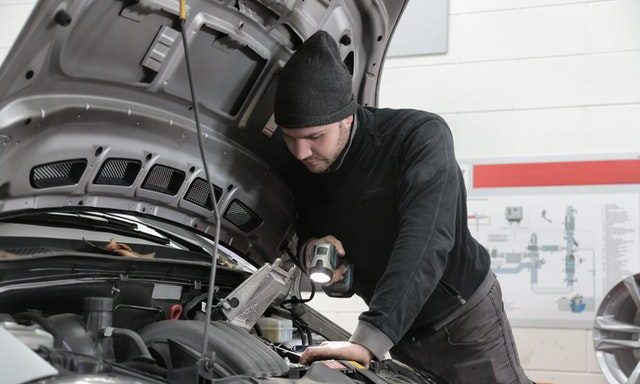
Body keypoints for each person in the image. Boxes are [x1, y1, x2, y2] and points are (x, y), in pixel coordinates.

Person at [273, 30, 531, 384]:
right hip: (400, 332)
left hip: (465, 323)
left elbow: (426, 240)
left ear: (347, 117)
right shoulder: (301, 165)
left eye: (315, 137)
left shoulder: (417, 137)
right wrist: (309, 250)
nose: (301, 153)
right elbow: (298, 226)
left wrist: (370, 337)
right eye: (290, 138)